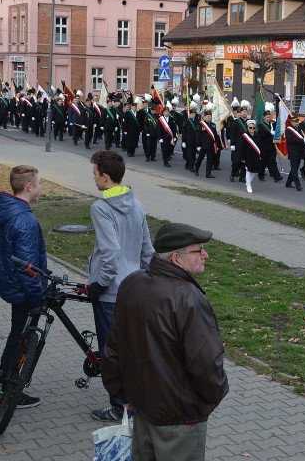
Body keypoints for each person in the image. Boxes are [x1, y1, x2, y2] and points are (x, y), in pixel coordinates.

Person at [101, 223, 229, 461]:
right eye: (197, 250)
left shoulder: (132, 283)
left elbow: (114, 347)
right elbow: (206, 363)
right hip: (180, 417)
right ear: (176, 259)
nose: (205, 255)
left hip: (143, 409)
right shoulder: (188, 298)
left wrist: (121, 393)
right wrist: (213, 396)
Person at [87, 150, 155, 421]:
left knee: (111, 352)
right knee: (131, 349)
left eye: (94, 174)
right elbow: (147, 249)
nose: (92, 178)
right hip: (134, 288)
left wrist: (100, 284)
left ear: (105, 177)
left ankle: (119, 407)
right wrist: (150, 279)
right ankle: (136, 401)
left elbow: (110, 252)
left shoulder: (101, 207)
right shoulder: (136, 203)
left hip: (111, 292)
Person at [0, 165, 46, 409]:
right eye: (40, 183)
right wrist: (38, 295)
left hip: (11, 284)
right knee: (22, 337)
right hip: (24, 291)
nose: (42, 187)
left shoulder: (8, 211)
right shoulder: (25, 221)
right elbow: (27, 267)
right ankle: (9, 389)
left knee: (16, 332)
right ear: (29, 186)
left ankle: (3, 372)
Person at [239, 119, 262, 193]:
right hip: (248, 156)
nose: (252, 129)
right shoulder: (245, 136)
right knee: (249, 171)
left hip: (256, 155)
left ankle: (248, 183)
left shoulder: (257, 135)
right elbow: (242, 147)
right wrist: (242, 157)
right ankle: (248, 185)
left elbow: (260, 146)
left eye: (253, 128)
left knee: (255, 171)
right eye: (250, 128)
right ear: (247, 128)